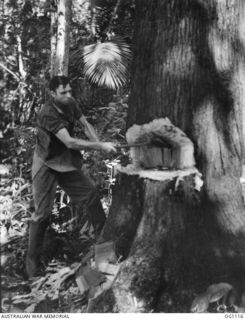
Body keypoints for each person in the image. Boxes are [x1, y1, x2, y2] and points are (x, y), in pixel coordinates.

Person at [26, 75, 116, 278]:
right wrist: (99, 146)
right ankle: (31, 267)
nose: (68, 96)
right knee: (42, 214)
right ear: (52, 94)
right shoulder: (47, 113)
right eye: (62, 93)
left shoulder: (71, 103)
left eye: (69, 91)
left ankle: (103, 246)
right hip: (46, 163)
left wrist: (98, 144)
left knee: (91, 194)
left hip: (65, 161)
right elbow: (70, 142)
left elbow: (84, 124)